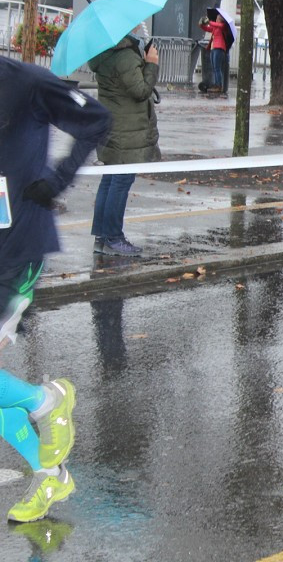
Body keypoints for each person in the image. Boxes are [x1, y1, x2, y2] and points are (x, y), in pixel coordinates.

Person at [0, 57, 111, 522]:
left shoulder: (24, 81)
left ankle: (49, 401)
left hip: (17, 248)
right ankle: (51, 475)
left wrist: (56, 179)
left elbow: (97, 120)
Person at [88, 31, 162, 257]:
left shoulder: (104, 54)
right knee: (120, 182)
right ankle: (113, 237)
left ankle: (102, 237)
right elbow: (140, 91)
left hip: (112, 129)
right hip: (127, 133)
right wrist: (151, 64)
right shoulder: (125, 57)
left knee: (109, 181)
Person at [198, 10, 230, 94]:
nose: (216, 19)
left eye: (218, 18)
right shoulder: (216, 27)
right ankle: (216, 84)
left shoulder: (223, 26)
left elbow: (217, 25)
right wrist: (201, 25)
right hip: (213, 48)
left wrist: (209, 22)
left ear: (221, 20)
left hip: (219, 47)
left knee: (217, 68)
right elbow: (208, 28)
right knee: (214, 67)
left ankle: (219, 85)